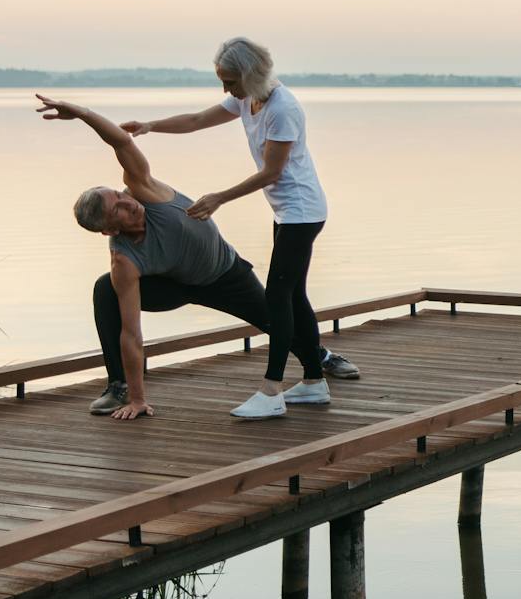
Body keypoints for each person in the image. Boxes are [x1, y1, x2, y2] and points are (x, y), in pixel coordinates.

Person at [37, 94, 327, 421]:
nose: (127, 202)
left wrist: (82, 113)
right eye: (116, 207)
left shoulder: (143, 189)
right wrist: (138, 399)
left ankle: (318, 359)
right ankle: (119, 386)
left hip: (224, 275)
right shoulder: (124, 260)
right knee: (106, 289)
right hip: (172, 284)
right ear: (108, 230)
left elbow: (120, 141)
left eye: (118, 195)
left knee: (275, 320)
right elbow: (131, 333)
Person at [121, 36, 358, 421]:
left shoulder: (283, 109)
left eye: (230, 80)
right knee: (294, 295)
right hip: (288, 212)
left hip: (302, 211)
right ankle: (314, 382)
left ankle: (271, 390)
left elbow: (271, 172)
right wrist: (149, 126)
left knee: (278, 296)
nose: (225, 89)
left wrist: (219, 198)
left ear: (251, 74)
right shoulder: (248, 99)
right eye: (223, 81)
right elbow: (198, 120)